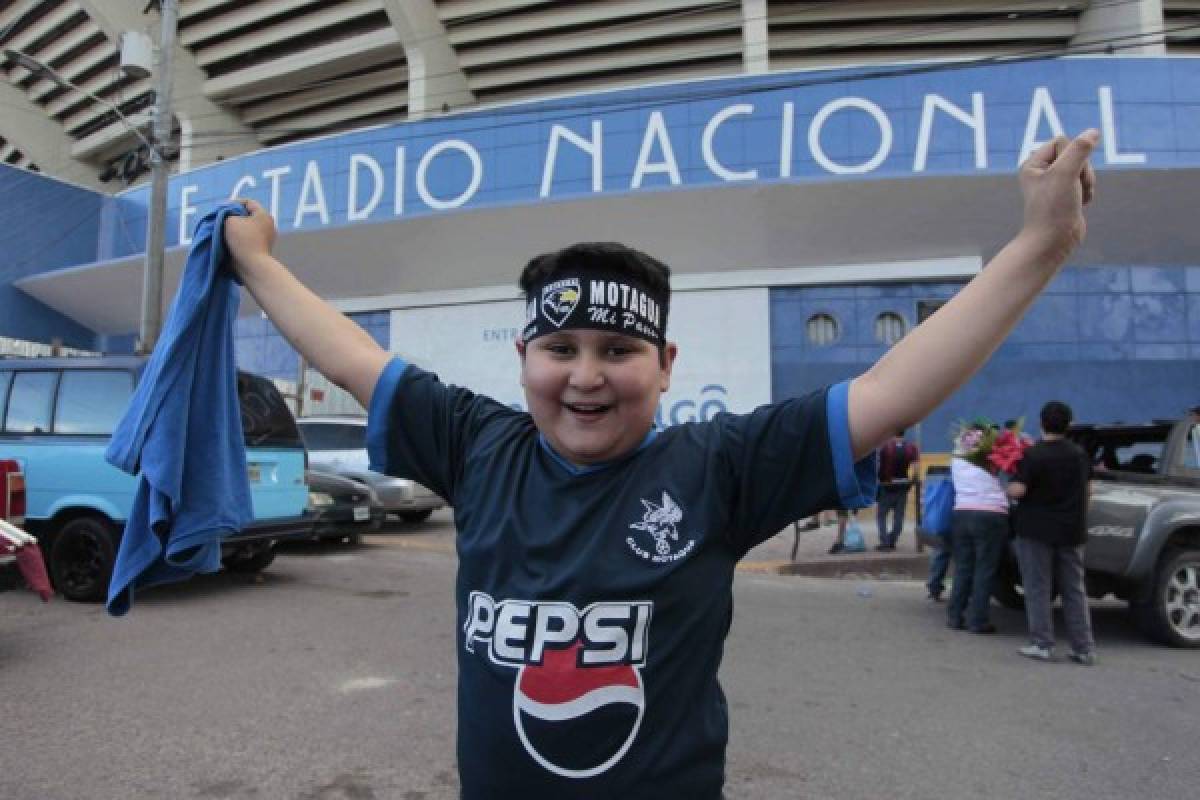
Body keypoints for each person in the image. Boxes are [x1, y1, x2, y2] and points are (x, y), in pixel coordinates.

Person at [222, 130, 1098, 797]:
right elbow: (348, 356)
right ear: (525, 357)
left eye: (618, 350)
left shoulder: (718, 465)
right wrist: (258, 264)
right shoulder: (476, 444)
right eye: (559, 348)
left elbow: (890, 391)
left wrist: (1039, 244)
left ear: (667, 365)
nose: (587, 376)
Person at [1007, 401, 1096, 665]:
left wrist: (1008, 487)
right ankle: (1084, 647)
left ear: (1041, 422)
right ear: (1069, 425)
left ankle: (1042, 643)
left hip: (1036, 530)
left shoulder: (1033, 455)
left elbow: (1019, 491)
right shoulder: (1080, 455)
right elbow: (1089, 490)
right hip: (1072, 530)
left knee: (1038, 587)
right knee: (1074, 588)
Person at [946, 424, 1009, 634]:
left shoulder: (957, 455)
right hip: (990, 513)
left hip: (962, 511)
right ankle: (978, 620)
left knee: (963, 567)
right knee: (984, 569)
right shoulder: (991, 452)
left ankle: (954, 616)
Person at [875, 429, 919, 550]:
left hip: (887, 485)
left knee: (881, 515)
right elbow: (916, 469)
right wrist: (912, 481)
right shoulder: (911, 448)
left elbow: (878, 466)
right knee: (899, 516)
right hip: (903, 484)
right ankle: (892, 539)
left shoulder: (885, 447)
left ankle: (885, 542)